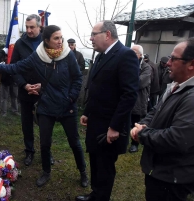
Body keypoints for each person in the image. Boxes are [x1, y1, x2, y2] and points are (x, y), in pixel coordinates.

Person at [0, 25, 88, 188]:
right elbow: (14, 67)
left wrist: (71, 97)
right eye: (56, 38)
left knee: (74, 142)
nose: (60, 41)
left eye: (61, 37)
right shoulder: (38, 57)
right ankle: (46, 172)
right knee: (45, 143)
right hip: (46, 106)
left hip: (67, 106)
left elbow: (77, 78)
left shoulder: (67, 55)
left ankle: (83, 172)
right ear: (47, 40)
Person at [76, 20, 139, 201]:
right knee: (96, 161)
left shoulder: (125, 55)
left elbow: (129, 95)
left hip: (110, 126)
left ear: (108, 35)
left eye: (94, 34)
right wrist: (87, 112)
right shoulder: (101, 55)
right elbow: (97, 88)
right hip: (96, 121)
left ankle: (101, 197)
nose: (91, 38)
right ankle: (95, 194)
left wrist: (115, 127)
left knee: (105, 166)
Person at [130, 37, 194, 201]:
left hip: (173, 177)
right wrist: (142, 125)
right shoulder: (177, 86)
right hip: (161, 171)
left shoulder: (191, 96)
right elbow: (156, 111)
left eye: (174, 58)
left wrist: (143, 134)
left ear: (191, 64)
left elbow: (177, 139)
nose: (167, 63)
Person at [10, 14, 44, 166]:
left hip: (44, 92)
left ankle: (46, 152)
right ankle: (29, 151)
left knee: (45, 125)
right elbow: (14, 68)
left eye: (32, 27)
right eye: (27, 27)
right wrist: (24, 85)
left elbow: (55, 67)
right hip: (25, 91)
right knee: (27, 124)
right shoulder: (20, 43)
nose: (29, 30)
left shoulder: (47, 41)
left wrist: (42, 85)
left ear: (39, 27)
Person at [128, 45, 151, 153]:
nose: (131, 54)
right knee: (124, 122)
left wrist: (127, 81)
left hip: (138, 100)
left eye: (135, 52)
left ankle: (134, 144)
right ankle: (122, 142)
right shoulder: (126, 64)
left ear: (141, 55)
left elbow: (140, 82)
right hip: (126, 99)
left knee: (136, 122)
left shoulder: (146, 67)